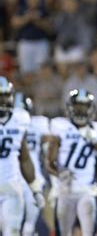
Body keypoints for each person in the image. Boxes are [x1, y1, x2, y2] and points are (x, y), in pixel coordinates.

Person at [46, 89, 97, 236]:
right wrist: (59, 174)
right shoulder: (60, 127)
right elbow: (49, 162)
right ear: (69, 108)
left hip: (87, 191)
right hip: (65, 190)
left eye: (84, 107)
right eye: (77, 106)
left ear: (91, 109)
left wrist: (96, 143)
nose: (80, 111)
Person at [0, 77, 44, 236]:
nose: (3, 100)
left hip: (11, 187)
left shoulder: (19, 119)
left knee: (12, 231)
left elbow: (24, 158)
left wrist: (35, 187)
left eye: (5, 95)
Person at [14, 93, 49, 236]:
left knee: (29, 224)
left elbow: (48, 150)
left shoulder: (40, 124)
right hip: (18, 178)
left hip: (30, 179)